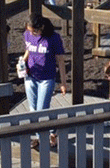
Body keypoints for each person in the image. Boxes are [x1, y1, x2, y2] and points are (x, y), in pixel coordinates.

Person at [23, 14, 67, 148]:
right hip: (30, 76)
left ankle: (50, 132)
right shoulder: (27, 34)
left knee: (41, 109)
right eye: (30, 31)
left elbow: (60, 60)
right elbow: (28, 50)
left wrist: (63, 82)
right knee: (33, 109)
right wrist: (22, 62)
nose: (32, 33)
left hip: (47, 78)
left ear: (41, 27)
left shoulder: (54, 38)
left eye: (34, 31)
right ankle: (41, 137)